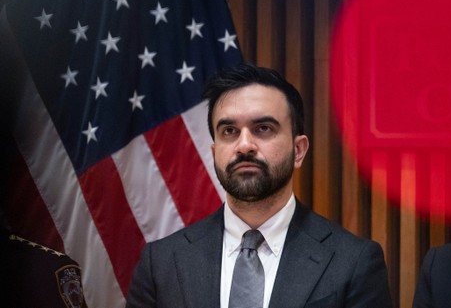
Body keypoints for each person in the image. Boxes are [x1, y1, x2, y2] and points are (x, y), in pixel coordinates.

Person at [125, 62, 393, 308]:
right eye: (229, 131)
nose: (244, 145)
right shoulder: (160, 263)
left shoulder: (354, 263)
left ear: (298, 151)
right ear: (214, 152)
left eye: (263, 128)